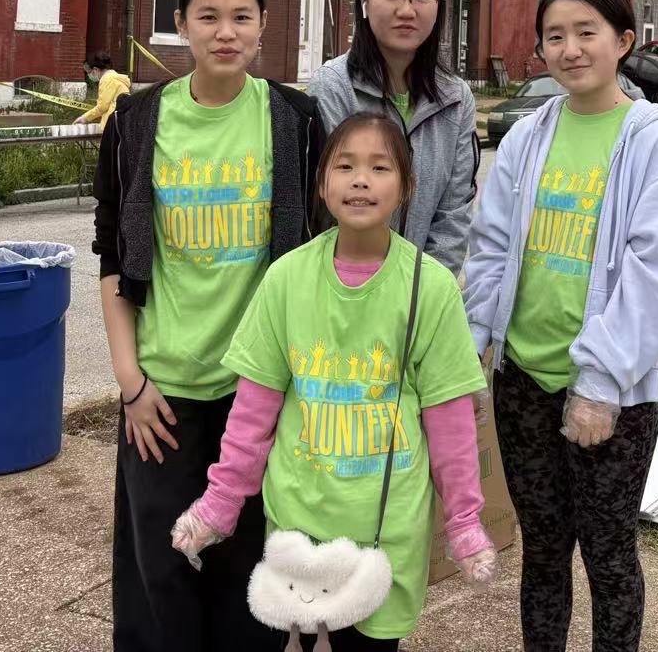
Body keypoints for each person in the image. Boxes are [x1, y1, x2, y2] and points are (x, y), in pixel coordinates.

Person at [171, 113, 495, 649]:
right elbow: (254, 411)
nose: (360, 179)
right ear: (322, 183)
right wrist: (221, 501)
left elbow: (450, 420)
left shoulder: (430, 289)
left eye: (379, 166)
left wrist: (463, 519)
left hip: (386, 526)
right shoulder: (287, 279)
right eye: (344, 166)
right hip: (300, 520)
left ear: (406, 186)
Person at [93, 0, 326, 652]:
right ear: (180, 25)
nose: (226, 32)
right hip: (163, 389)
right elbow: (113, 256)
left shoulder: (295, 119)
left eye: (241, 17)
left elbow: (317, 253)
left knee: (248, 570)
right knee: (158, 569)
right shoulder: (137, 121)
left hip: (256, 391)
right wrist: (130, 381)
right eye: (208, 17)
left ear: (262, 26)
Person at [463, 0, 658, 652]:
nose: (569, 48)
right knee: (542, 549)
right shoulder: (530, 136)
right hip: (524, 379)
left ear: (623, 41)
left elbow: (655, 271)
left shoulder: (650, 140)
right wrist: (474, 341)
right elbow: (492, 245)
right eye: (555, 35)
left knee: (608, 552)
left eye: (586, 32)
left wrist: (599, 382)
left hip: (610, 394)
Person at [308, 0, 478, 273]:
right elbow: (325, 208)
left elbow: (454, 214)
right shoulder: (333, 87)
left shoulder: (456, 99)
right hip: (344, 286)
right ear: (364, 0)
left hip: (422, 293)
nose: (407, 10)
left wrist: (425, 292)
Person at [80, 50, 133, 130]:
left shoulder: (106, 79)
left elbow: (102, 107)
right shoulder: (116, 78)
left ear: (95, 70)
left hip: (113, 125)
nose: (88, 75)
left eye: (88, 72)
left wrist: (85, 118)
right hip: (121, 122)